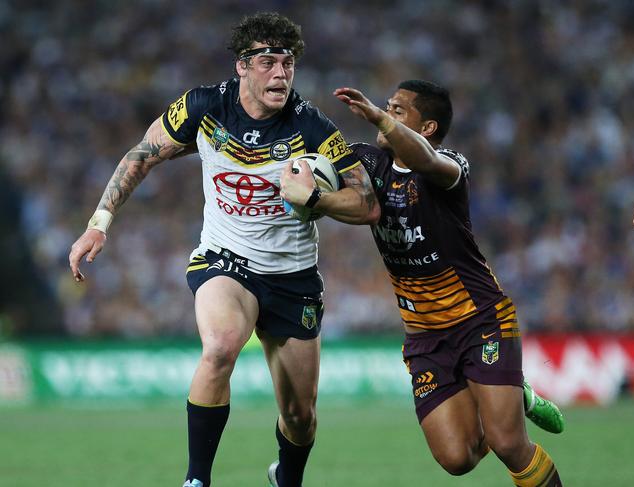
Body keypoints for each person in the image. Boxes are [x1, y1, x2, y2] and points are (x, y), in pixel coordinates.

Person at [68, 12, 378, 487]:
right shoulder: (203, 107)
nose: (280, 73)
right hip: (224, 260)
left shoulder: (312, 127)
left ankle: (287, 478)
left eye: (288, 63)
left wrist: (316, 198)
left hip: (292, 275)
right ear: (242, 66)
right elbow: (141, 155)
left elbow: (368, 205)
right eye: (268, 62)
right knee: (220, 347)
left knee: (299, 416)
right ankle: (196, 481)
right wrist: (99, 224)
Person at [284, 80, 564, 486]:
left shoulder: (449, 167)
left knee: (508, 444)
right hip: (425, 337)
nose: (385, 113)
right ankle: (510, 396)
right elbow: (355, 201)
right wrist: (307, 190)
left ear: (427, 127)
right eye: (387, 106)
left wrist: (378, 118)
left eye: (398, 110)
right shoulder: (367, 162)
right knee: (456, 458)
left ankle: (506, 402)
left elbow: (427, 161)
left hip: (480, 320)